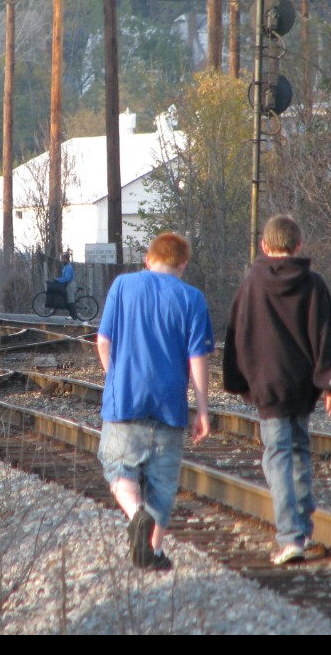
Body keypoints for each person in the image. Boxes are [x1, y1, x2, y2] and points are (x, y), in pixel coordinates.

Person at [223, 214, 331, 565]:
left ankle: (291, 537)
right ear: (299, 245)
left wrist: (239, 379)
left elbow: (238, 333)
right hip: (302, 383)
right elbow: (326, 333)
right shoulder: (313, 283)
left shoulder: (252, 283)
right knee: (299, 451)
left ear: (264, 245)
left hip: (267, 383)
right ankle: (302, 527)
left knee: (277, 456)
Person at [96, 232, 213, 571]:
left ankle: (136, 515)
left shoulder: (122, 286)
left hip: (125, 400)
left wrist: (115, 378)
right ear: (183, 264)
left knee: (119, 467)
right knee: (162, 485)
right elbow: (198, 359)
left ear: (147, 260)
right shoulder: (193, 299)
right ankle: (153, 552)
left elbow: (103, 342)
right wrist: (203, 409)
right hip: (169, 406)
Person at [54, 251, 77, 318]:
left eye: (63, 259)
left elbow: (67, 278)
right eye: (62, 259)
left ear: (67, 259)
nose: (62, 260)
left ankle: (74, 317)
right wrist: (58, 279)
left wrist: (58, 280)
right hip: (67, 285)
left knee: (70, 301)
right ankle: (71, 316)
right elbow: (64, 277)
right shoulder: (65, 267)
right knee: (67, 300)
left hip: (70, 285)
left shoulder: (69, 267)